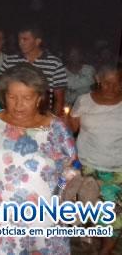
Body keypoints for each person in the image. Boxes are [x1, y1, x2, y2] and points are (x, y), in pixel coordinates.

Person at [0, 64, 77, 254]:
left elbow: (72, 170)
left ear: (39, 97)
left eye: (27, 98)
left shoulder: (57, 129)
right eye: (12, 97)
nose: (19, 104)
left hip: (44, 221)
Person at [68, 63, 122, 255]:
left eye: (117, 83)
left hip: (116, 170)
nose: (112, 88)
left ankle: (107, 249)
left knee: (113, 215)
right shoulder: (84, 100)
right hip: (86, 166)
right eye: (107, 83)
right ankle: (88, 244)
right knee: (88, 212)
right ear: (98, 80)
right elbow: (72, 128)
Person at [0, 24, 67, 115]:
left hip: (42, 116)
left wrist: (52, 123)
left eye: (25, 39)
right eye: (19, 39)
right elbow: (2, 90)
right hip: (15, 115)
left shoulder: (54, 63)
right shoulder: (10, 61)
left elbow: (59, 99)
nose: (20, 43)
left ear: (37, 41)